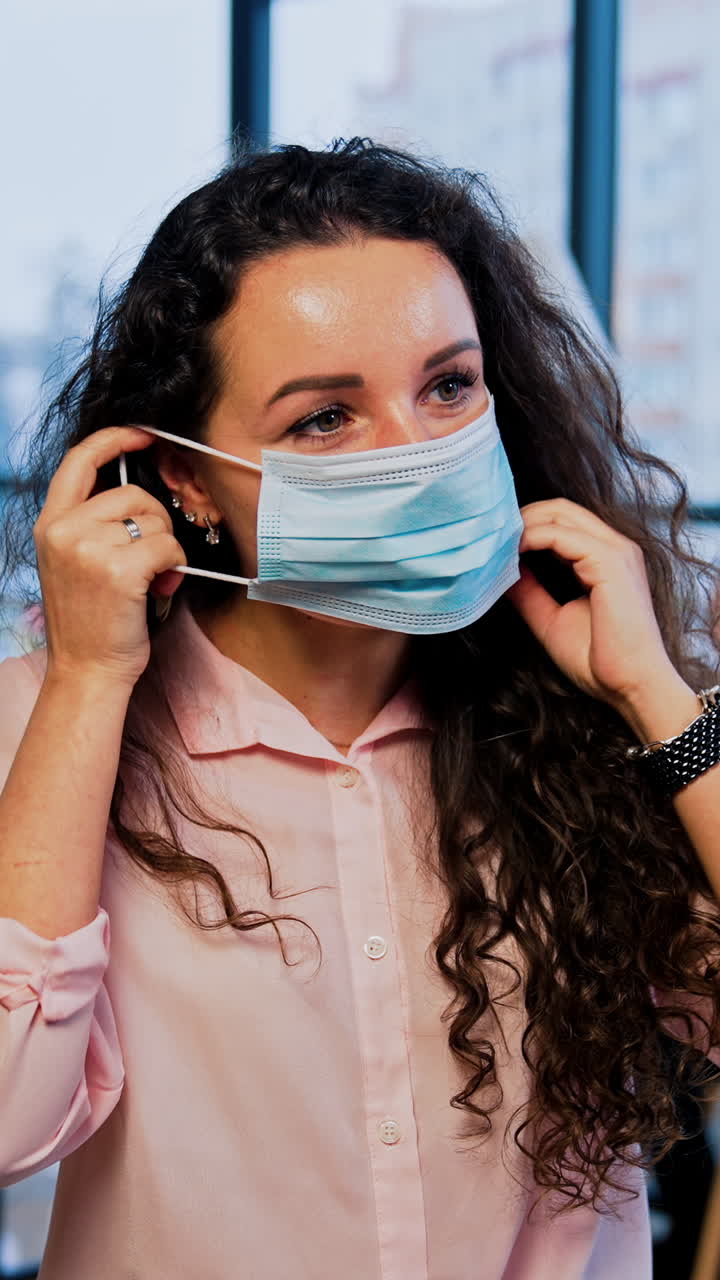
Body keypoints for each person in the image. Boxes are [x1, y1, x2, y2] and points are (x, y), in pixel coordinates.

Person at [0, 135, 719, 1280]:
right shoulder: (45, 719)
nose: (419, 452)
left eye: (448, 385)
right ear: (182, 477)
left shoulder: (589, 713)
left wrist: (661, 700)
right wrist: (89, 686)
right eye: (323, 419)